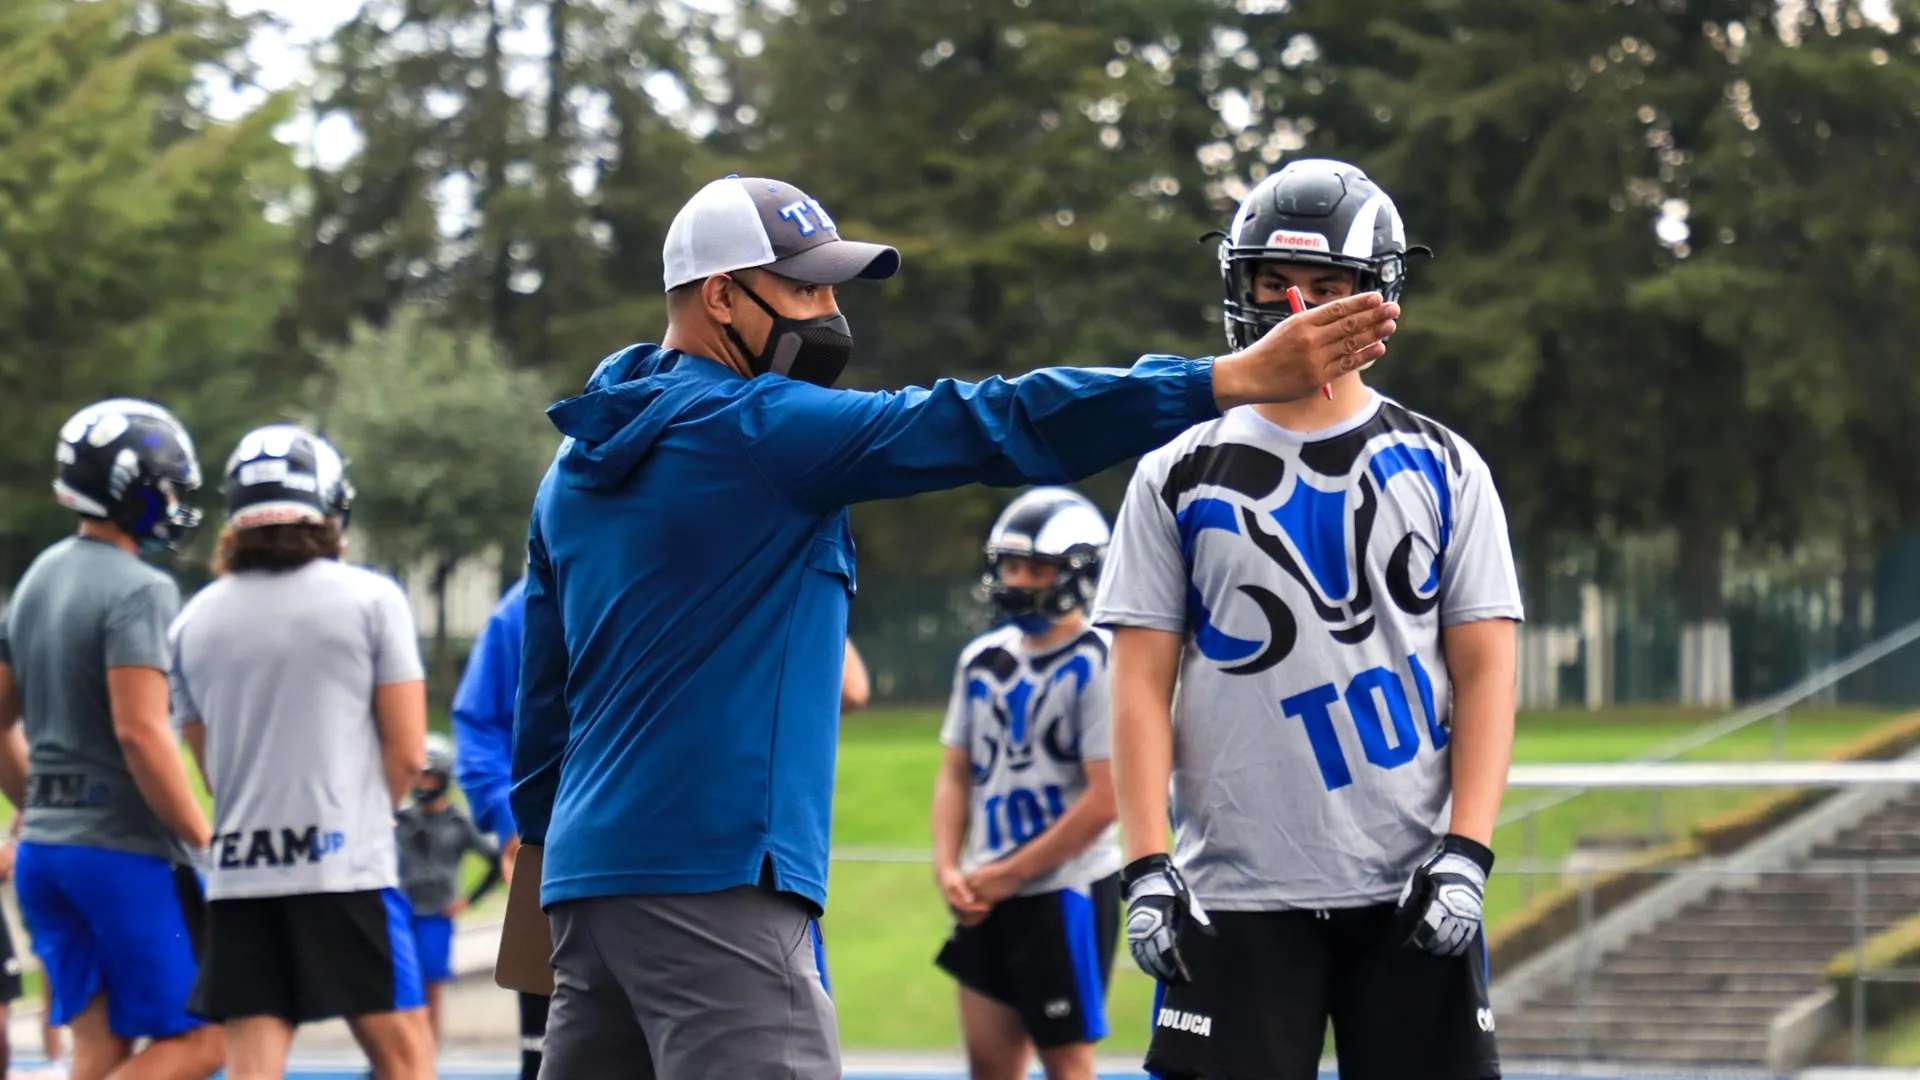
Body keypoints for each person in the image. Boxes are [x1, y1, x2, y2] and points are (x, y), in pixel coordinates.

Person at [509, 172, 1401, 1080]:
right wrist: (1227, 380)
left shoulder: (572, 469)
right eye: (805, 289)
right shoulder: (756, 428)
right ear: (719, 297)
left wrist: (543, 881)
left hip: (586, 890)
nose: (829, 314)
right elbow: (989, 423)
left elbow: (544, 706)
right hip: (716, 876)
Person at [1092, 159, 1523, 1080]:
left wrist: (1470, 851)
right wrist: (1144, 865)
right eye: (1276, 284)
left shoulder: (1446, 463)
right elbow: (1137, 681)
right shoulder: (1176, 469)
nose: (1301, 308)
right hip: (1232, 894)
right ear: (1239, 285)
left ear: (1379, 298)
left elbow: (1487, 669)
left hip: (1409, 884)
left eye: (1332, 289)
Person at [457, 584, 872, 1079]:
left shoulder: (732, 571)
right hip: (666, 873)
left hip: (673, 869)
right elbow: (486, 728)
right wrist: (516, 832)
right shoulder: (536, 599)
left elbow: (852, 689)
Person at [169, 424, 434, 1080]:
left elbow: (208, 761)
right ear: (329, 506)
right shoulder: (373, 599)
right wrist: (372, 814)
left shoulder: (192, 620)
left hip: (240, 872)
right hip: (343, 865)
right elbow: (406, 752)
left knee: (254, 1057)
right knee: (405, 1054)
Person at [0, 398, 224, 1080]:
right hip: (120, 854)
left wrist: (38, 801)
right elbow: (141, 730)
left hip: (45, 852)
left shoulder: (38, 575)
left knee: (98, 1050)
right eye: (166, 484)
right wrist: (203, 840)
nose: (174, 499)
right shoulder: (141, 588)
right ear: (131, 488)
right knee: (205, 1041)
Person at [932, 488, 1122, 1080]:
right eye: (1011, 565)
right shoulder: (981, 658)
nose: (1017, 580)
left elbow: (1106, 800)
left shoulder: (1100, 658)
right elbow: (955, 772)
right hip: (990, 890)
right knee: (988, 1064)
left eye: (1035, 568)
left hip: (1064, 890)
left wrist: (1006, 874)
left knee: (1066, 1064)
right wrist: (948, 868)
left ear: (1078, 570)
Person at [396, 733, 503, 1046]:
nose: (422, 784)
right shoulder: (400, 820)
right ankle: (401, 1055)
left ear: (442, 777)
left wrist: (469, 900)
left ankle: (428, 1055)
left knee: (431, 989)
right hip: (405, 912)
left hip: (436, 914)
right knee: (403, 988)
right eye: (418, 776)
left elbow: (496, 860)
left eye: (428, 776)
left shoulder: (458, 822)